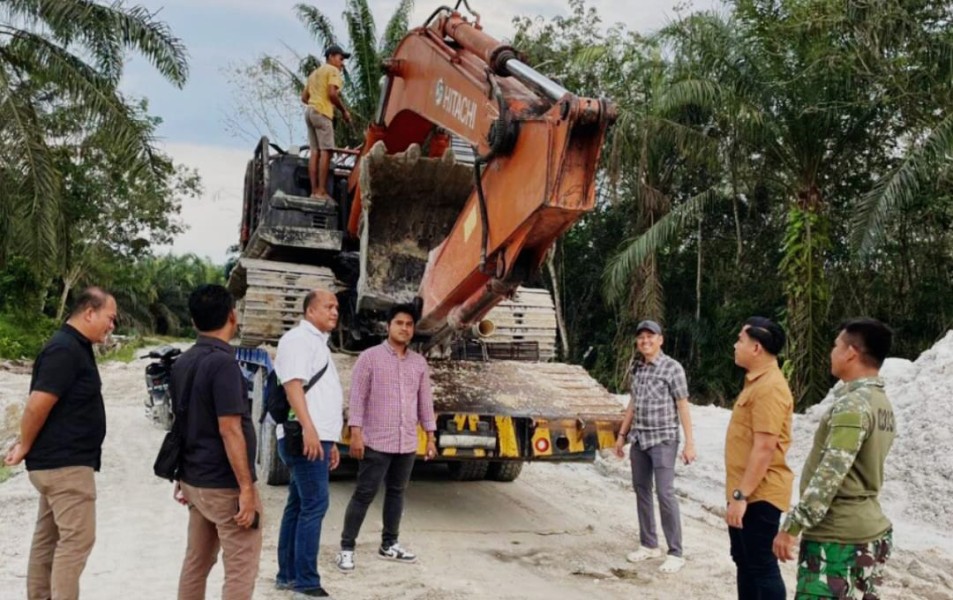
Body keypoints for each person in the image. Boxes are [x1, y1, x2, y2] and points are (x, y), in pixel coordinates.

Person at [4, 287, 116, 600]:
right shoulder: (65, 349)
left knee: (48, 539)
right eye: (110, 318)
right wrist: (24, 444)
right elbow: (37, 404)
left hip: (58, 464)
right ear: (89, 312)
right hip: (65, 466)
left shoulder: (73, 346)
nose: (112, 326)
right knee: (77, 540)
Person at [773, 318, 896, 600]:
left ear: (851, 352)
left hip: (838, 541)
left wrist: (793, 526)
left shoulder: (853, 405)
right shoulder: (882, 404)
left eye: (835, 346)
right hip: (868, 533)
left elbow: (831, 473)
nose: (832, 352)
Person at [173, 284, 262, 600]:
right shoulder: (223, 364)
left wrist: (180, 475)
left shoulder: (184, 361)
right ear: (232, 316)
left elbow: (182, 423)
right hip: (224, 486)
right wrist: (247, 488)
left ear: (194, 322)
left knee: (196, 561)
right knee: (241, 566)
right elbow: (230, 429)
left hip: (195, 480)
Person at [335, 304, 437, 572]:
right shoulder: (369, 358)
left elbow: (425, 402)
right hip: (376, 440)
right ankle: (346, 548)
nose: (404, 328)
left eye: (409, 324)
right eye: (399, 323)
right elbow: (357, 398)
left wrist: (431, 435)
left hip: (406, 441)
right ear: (388, 326)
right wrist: (355, 433)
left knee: (397, 493)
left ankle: (389, 544)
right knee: (364, 493)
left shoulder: (418, 363)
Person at [273, 288, 343, 598]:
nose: (335, 312)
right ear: (310, 311)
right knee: (315, 504)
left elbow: (320, 394)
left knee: (300, 504)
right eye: (328, 306)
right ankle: (306, 582)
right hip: (305, 437)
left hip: (316, 436)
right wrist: (310, 430)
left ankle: (288, 575)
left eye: (337, 307)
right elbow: (293, 387)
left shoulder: (317, 344)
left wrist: (331, 440)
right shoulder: (299, 340)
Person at [613, 319, 695, 574]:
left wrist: (690, 443)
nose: (645, 341)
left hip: (664, 440)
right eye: (641, 338)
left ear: (660, 340)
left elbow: (682, 405)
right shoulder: (638, 368)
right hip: (639, 439)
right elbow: (633, 403)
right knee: (641, 490)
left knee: (665, 493)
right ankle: (649, 544)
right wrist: (622, 435)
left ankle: (675, 552)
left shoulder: (673, 368)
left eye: (651, 337)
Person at [724, 316, 794, 600]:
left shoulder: (770, 388)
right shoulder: (756, 383)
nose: (735, 345)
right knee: (745, 561)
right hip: (746, 491)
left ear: (756, 348)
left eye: (740, 339)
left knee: (762, 566)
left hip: (758, 495)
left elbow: (765, 447)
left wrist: (741, 496)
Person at [302, 44, 352, 201]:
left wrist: (316, 100)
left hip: (310, 112)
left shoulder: (314, 73)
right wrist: (344, 111)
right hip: (322, 113)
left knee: (315, 152)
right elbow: (332, 93)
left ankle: (314, 191)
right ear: (330, 57)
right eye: (340, 58)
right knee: (327, 151)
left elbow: (304, 97)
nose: (342, 63)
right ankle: (322, 192)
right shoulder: (332, 71)